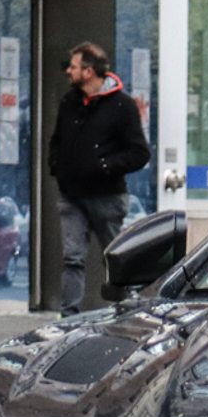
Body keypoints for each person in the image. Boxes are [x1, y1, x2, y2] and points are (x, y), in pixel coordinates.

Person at [47, 41, 152, 314]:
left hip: (107, 196)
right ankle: (67, 313)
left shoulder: (122, 106)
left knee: (115, 256)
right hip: (72, 195)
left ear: (89, 71)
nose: (68, 71)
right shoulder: (70, 102)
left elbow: (140, 152)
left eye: (73, 66)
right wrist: (57, 166)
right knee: (72, 258)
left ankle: (129, 307)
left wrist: (105, 166)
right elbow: (57, 140)